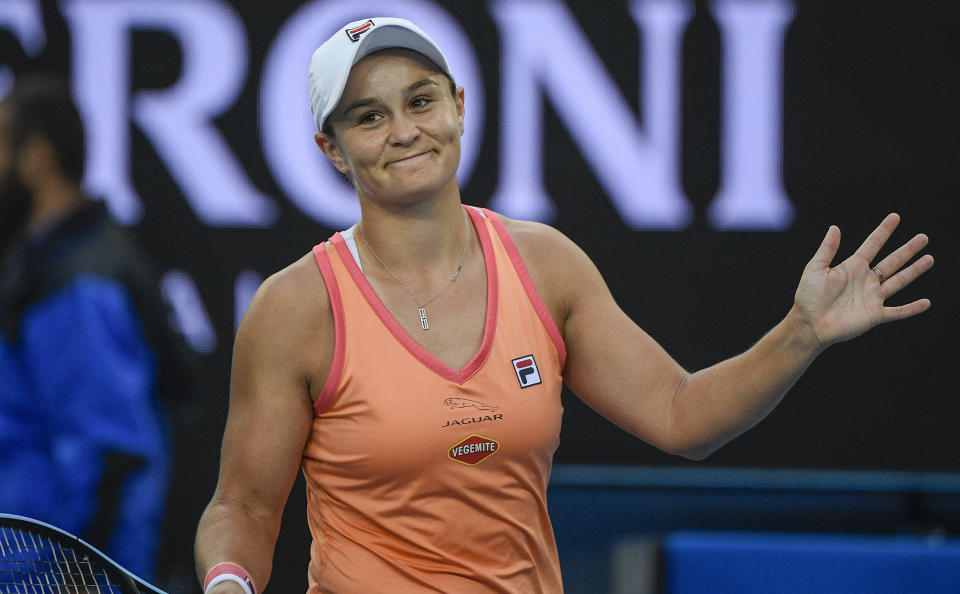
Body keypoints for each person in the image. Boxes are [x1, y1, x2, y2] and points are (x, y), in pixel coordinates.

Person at [194, 17, 934, 594]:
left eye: (420, 100)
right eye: (368, 117)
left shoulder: (544, 265)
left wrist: (801, 334)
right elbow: (245, 509)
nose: (404, 131)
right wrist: (229, 580)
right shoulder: (294, 308)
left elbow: (682, 416)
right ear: (332, 149)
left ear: (458, 106)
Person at [0, 74, 196, 581]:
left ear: (36, 156)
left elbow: (110, 463)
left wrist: (76, 583)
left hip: (55, 578)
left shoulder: (79, 287)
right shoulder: (45, 270)